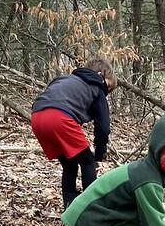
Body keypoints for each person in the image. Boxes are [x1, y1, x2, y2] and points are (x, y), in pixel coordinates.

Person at [31, 58, 118, 209]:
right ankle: (92, 209)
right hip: (59, 117)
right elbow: (103, 128)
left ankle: (70, 207)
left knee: (70, 164)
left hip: (37, 117)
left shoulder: (63, 78)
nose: (106, 92)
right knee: (88, 162)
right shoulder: (97, 87)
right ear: (100, 74)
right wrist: (99, 156)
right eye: (108, 86)